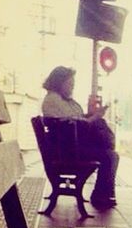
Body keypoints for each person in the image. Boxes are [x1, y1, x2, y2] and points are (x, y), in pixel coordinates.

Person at [41, 66, 119, 209]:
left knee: (110, 154)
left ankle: (103, 194)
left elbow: (75, 120)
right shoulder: (53, 100)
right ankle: (102, 196)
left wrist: (91, 116)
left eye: (73, 85)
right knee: (110, 156)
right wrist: (94, 117)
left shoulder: (62, 100)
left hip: (70, 148)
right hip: (67, 152)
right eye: (70, 84)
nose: (72, 88)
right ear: (59, 82)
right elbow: (72, 125)